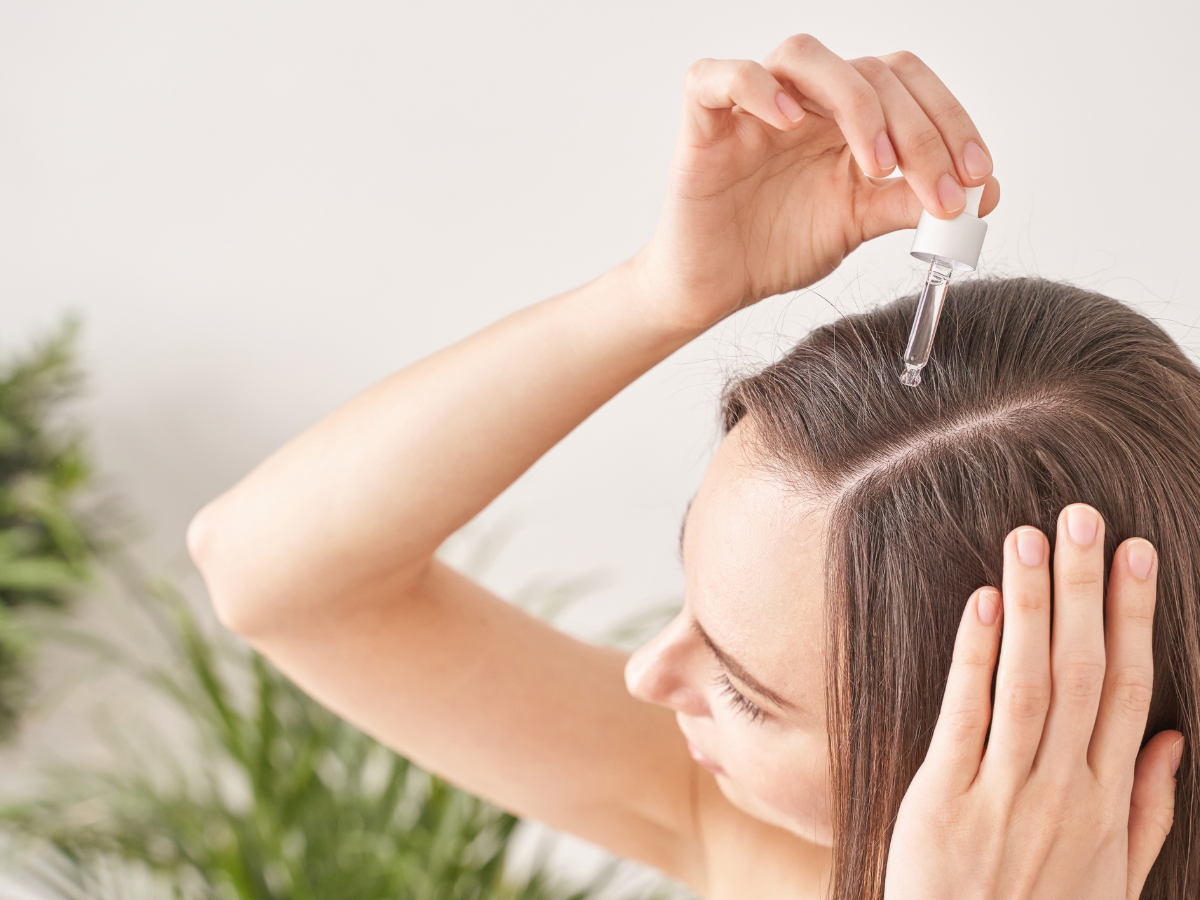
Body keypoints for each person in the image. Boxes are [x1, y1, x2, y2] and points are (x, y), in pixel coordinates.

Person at [185, 34, 1188, 899]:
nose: (645, 674)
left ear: (1020, 734)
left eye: (748, 692)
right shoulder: (765, 842)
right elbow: (271, 576)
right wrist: (664, 290)